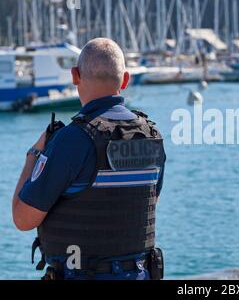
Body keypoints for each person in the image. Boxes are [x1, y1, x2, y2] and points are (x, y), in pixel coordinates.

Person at [12, 38, 166, 280]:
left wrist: (33, 155)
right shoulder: (151, 136)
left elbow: (23, 218)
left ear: (75, 76)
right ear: (125, 80)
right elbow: (146, 202)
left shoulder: (71, 139)